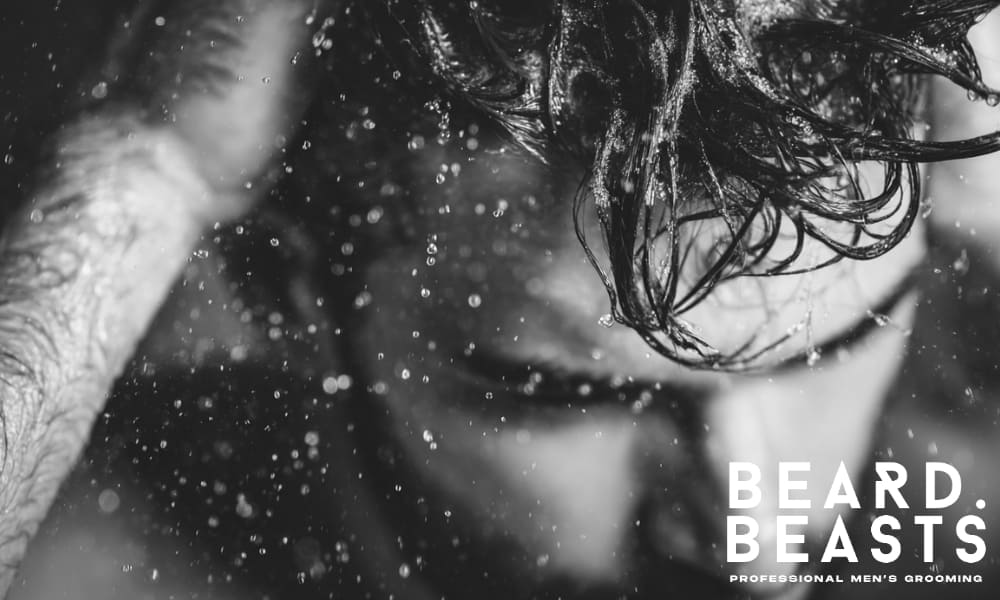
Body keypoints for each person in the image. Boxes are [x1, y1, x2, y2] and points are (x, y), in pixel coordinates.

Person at [2, 1, 1000, 599]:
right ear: (283, 292)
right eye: (561, 396)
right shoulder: (112, 557)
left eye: (829, 350)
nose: (756, 536)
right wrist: (145, 170)